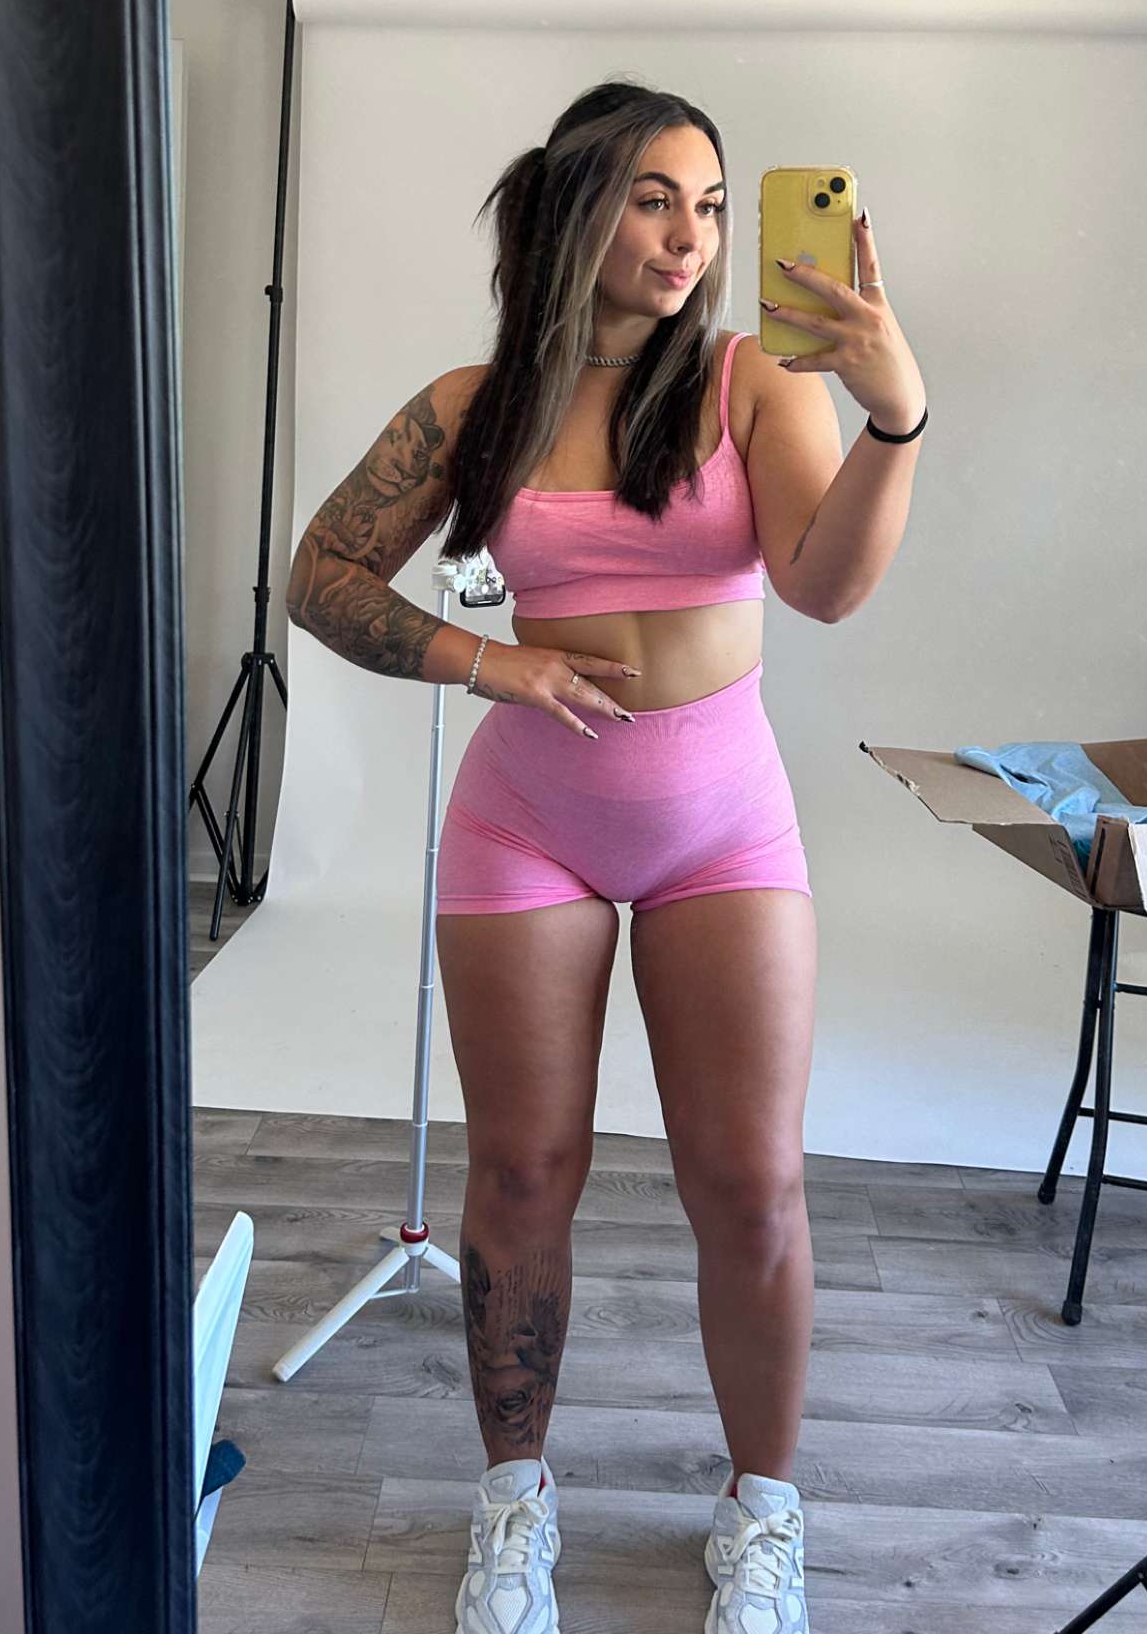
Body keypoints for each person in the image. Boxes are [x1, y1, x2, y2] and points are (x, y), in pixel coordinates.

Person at [286, 79, 928, 1634]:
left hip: (721, 825)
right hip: (529, 824)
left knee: (751, 1186)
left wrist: (892, 416)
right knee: (521, 1173)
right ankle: (514, 1503)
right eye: (654, 198)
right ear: (576, 205)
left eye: (707, 205)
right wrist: (485, 661)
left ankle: (761, 1514)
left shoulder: (751, 380)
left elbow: (824, 588)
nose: (688, 235)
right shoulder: (476, 404)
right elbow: (323, 575)